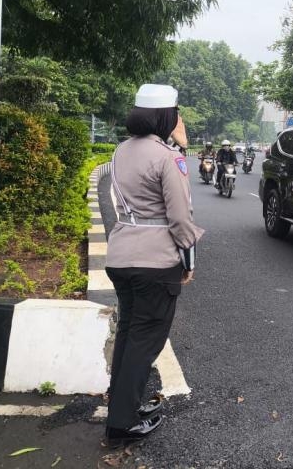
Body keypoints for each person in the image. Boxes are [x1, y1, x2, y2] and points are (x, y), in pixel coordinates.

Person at [104, 83, 205, 448]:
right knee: (146, 341)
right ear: (167, 116)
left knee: (130, 335)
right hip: (155, 262)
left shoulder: (120, 150)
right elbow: (181, 218)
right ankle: (121, 423)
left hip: (120, 256)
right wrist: (188, 259)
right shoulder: (168, 158)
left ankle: (123, 406)